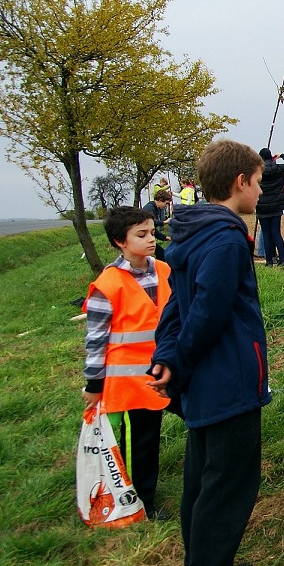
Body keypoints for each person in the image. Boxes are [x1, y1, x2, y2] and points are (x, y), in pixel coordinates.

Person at [148, 139, 271, 566]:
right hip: (227, 379)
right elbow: (207, 311)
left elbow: (175, 305)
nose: (261, 191)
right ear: (240, 182)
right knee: (229, 480)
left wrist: (168, 356)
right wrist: (176, 358)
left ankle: (206, 563)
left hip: (204, 381)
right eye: (258, 182)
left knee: (201, 476)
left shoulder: (191, 232)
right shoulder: (224, 238)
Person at [82, 206, 172, 520]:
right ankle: (138, 501)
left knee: (150, 438)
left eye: (152, 232)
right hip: (129, 384)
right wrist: (94, 384)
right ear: (121, 242)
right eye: (142, 234)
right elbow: (95, 341)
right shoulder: (108, 285)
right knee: (139, 443)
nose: (151, 239)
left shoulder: (163, 270)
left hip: (161, 373)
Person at [254, 148, 284, 266]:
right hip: (276, 206)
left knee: (267, 234)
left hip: (262, 206)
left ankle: (269, 261)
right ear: (271, 157)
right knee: (276, 233)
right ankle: (282, 260)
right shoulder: (279, 169)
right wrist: (282, 155)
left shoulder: (257, 171)